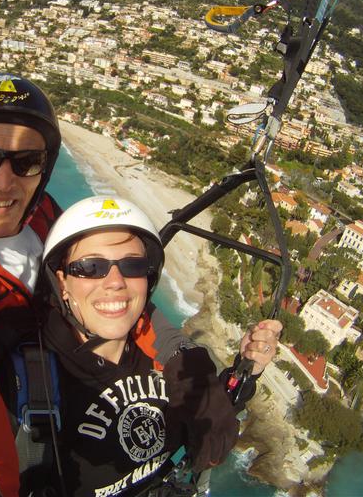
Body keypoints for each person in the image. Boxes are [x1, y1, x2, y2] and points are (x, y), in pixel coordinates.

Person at [0, 73, 192, 497]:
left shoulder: (47, 218)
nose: (2, 183)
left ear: (44, 168)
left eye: (25, 162)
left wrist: (184, 356)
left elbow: (113, 288)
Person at [38, 195, 282, 497]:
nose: (115, 281)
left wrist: (246, 370)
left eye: (132, 265)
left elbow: (204, 414)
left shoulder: (166, 362)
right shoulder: (35, 380)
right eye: (91, 266)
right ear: (62, 283)